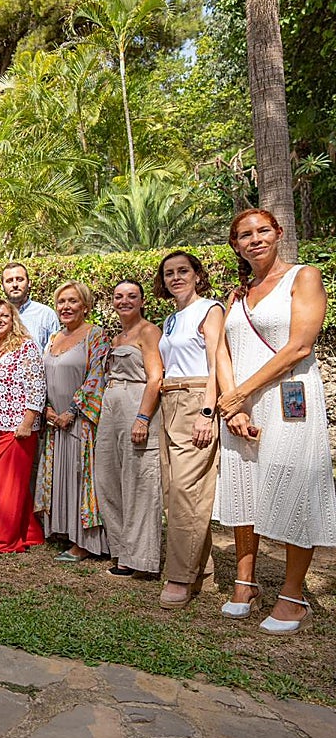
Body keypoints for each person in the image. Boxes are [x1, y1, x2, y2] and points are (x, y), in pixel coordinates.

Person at [214, 208, 336, 634]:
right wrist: (235, 407)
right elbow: (223, 351)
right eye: (244, 234)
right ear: (235, 245)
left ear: (278, 232)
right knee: (244, 487)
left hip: (290, 400)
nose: (255, 239)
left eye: (263, 230)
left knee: (293, 486)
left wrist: (240, 393)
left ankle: (292, 594)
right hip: (242, 406)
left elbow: (300, 346)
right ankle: (245, 582)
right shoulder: (237, 294)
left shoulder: (303, 277)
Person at [155, 251, 224, 609]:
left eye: (183, 271)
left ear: (198, 274)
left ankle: (179, 578)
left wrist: (208, 412)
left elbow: (218, 364)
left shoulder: (210, 310)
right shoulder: (171, 319)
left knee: (186, 491)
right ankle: (203, 572)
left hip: (196, 398)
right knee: (173, 491)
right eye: (169, 273)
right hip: (170, 401)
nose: (176, 277)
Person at [35, 280, 110, 561]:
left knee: (81, 476)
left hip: (81, 421)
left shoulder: (96, 335)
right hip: (55, 421)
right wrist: (47, 409)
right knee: (58, 475)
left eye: (73, 301)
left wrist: (72, 411)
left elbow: (97, 377)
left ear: (86, 306)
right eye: (61, 302)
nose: (66, 307)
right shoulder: (53, 338)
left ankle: (85, 541)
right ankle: (63, 531)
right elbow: (41, 377)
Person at [94, 280, 163, 578]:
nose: (125, 301)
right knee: (107, 478)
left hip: (136, 404)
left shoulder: (149, 331)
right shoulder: (118, 336)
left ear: (142, 300)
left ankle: (142, 560)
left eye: (132, 296)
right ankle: (121, 550)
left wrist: (143, 418)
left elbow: (156, 378)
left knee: (139, 481)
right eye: (119, 296)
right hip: (110, 407)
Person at [0, 299, 46, 554]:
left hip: (17, 426)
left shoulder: (25, 348)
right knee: (5, 482)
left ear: (13, 319)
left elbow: (37, 386)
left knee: (10, 484)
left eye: (4, 315)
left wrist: (27, 421)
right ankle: (30, 532)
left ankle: (2, 541)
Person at [2, 262, 59, 352]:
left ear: (29, 283)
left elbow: (55, 353)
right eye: (9, 281)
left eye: (20, 279)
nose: (15, 284)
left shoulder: (46, 314)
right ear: (2, 286)